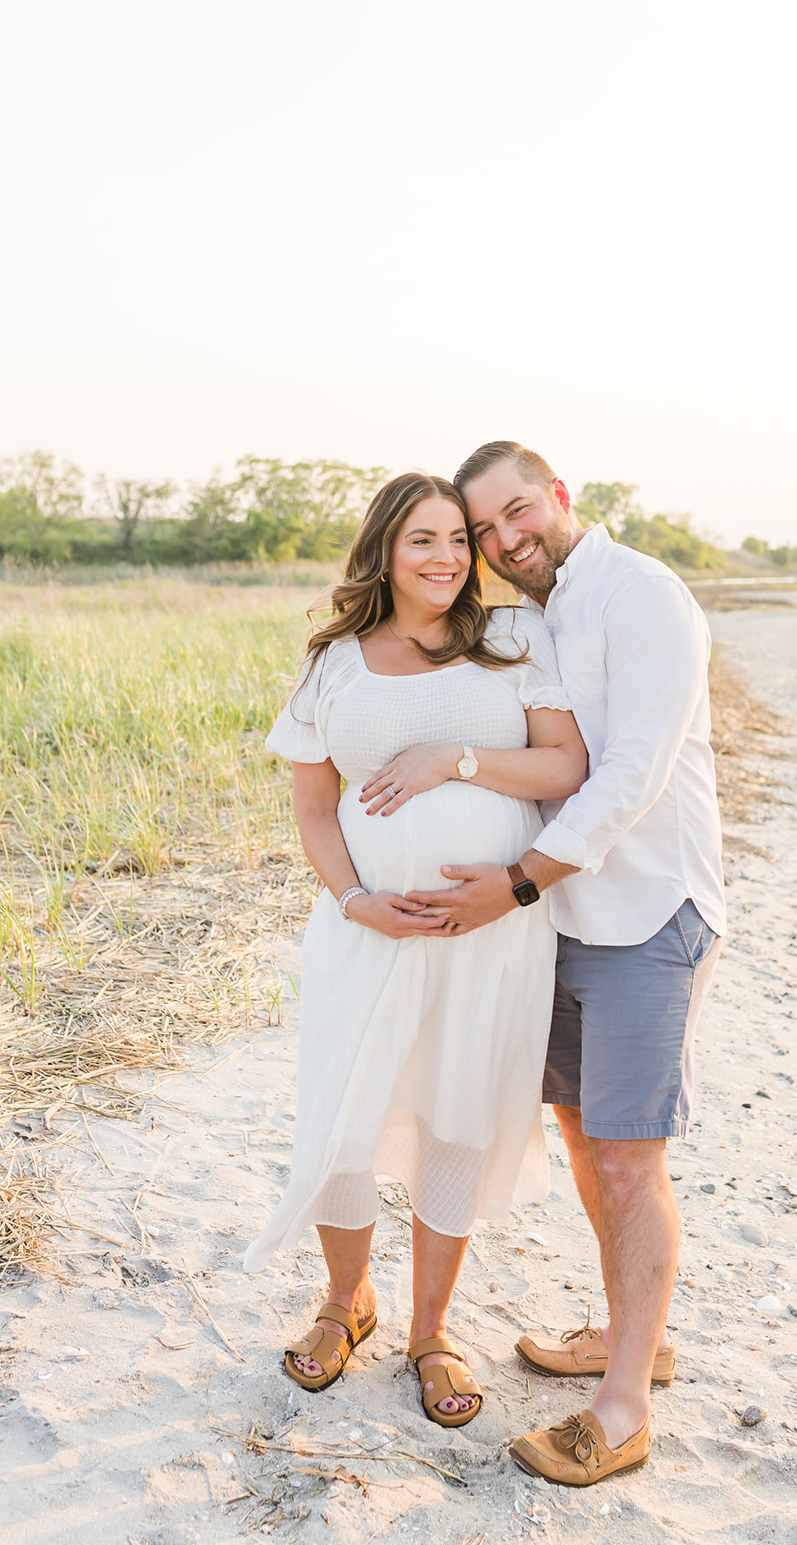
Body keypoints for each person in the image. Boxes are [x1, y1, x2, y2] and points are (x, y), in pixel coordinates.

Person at [406, 441, 725, 1483]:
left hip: (644, 915)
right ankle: (636, 1333)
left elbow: (630, 772)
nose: (503, 541)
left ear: (559, 495)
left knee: (631, 1156)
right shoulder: (528, 618)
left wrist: (519, 880)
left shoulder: (643, 597)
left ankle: (622, 1406)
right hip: (563, 925)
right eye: (483, 529)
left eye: (514, 514)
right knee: (590, 1144)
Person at [243, 472, 587, 1428]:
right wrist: (356, 900)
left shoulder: (514, 640)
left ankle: (432, 1331)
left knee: (455, 1113)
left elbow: (566, 765)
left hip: (494, 934)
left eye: (455, 539)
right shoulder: (336, 662)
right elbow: (314, 806)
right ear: (385, 552)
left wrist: (454, 759)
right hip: (368, 933)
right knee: (346, 1106)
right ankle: (344, 1303)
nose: (444, 558)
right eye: (420, 540)